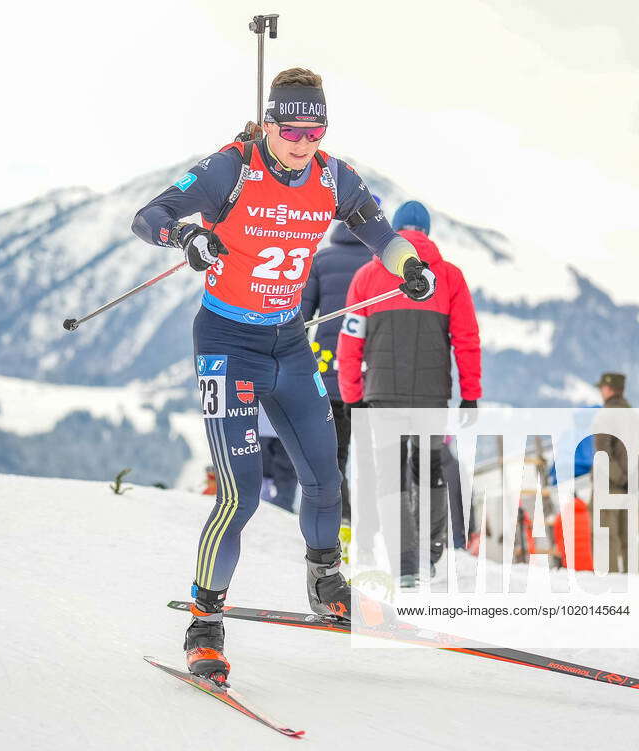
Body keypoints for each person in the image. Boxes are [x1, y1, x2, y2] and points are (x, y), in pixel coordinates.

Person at [131, 67, 437, 681]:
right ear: (269, 122)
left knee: (325, 479)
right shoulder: (232, 169)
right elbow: (149, 215)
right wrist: (187, 236)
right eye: (291, 127)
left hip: (289, 344)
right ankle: (204, 622)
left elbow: (378, 231)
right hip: (226, 343)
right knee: (241, 494)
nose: (302, 140)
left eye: (314, 127)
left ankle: (327, 585)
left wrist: (410, 265)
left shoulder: (332, 176)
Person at [336, 208, 481, 584]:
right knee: (432, 472)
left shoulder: (367, 276)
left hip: (381, 397)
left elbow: (350, 341)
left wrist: (351, 396)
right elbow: (466, 340)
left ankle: (406, 565)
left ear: (394, 232)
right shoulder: (449, 277)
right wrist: (470, 395)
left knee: (391, 477)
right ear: (428, 233)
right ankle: (430, 556)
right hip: (432, 397)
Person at [301, 198, 383, 544]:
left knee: (335, 455)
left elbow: (302, 317)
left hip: (330, 375)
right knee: (374, 455)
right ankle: (372, 526)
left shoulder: (322, 259)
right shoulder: (382, 265)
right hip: (374, 376)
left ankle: (342, 518)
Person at [590, 373, 639, 573]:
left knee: (607, 542)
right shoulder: (638, 419)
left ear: (608, 389)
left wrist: (620, 479)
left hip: (608, 488)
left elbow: (602, 454)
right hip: (631, 491)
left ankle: (611, 599)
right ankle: (635, 596)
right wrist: (633, 481)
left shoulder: (604, 416)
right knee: (630, 543)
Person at [258, 409, 298, 512]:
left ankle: (284, 503)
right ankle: (263, 500)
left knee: (286, 467)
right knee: (261, 464)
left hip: (288, 421)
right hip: (260, 420)